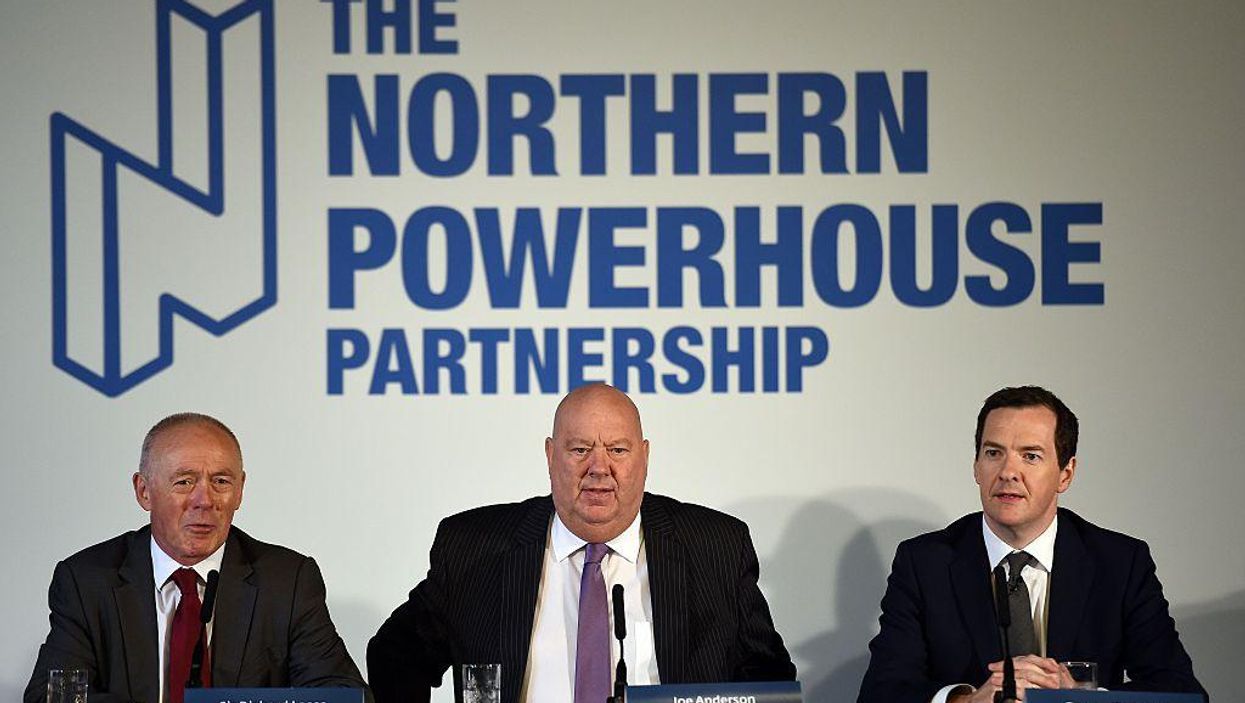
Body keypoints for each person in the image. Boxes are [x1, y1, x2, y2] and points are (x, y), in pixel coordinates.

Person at [368, 383, 796, 703]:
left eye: (617, 449)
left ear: (644, 457)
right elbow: (395, 655)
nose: (599, 468)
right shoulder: (474, 548)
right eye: (579, 450)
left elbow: (770, 678)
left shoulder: (714, 548)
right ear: (551, 455)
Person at [857, 386, 1206, 703]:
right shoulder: (925, 563)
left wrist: (1079, 696)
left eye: (1031, 456)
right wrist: (965, 700)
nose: (1008, 472)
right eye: (994, 453)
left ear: (1065, 474)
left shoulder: (1119, 563)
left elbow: (1181, 690)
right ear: (976, 467)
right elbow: (881, 692)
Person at [25, 413, 370, 703]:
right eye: (184, 482)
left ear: (240, 491)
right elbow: (53, 695)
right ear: (144, 491)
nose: (204, 500)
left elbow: (343, 693)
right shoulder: (88, 580)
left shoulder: (287, 581)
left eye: (221, 481)